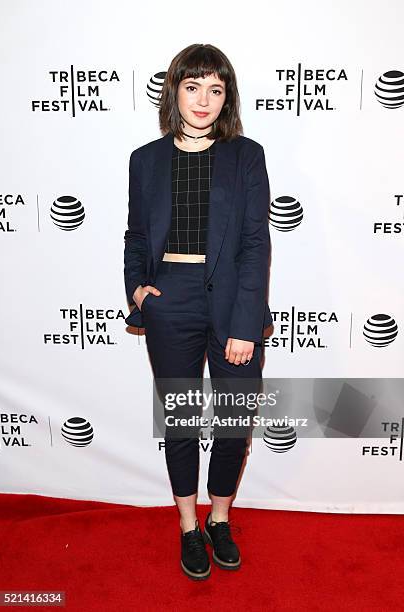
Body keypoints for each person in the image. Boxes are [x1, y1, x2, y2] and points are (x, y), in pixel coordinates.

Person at [123, 43, 273, 580]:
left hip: (234, 299)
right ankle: (188, 524)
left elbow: (256, 244)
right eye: (193, 87)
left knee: (234, 420)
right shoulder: (146, 159)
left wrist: (244, 323)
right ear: (175, 92)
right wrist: (138, 289)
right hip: (171, 301)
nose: (203, 99)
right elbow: (137, 235)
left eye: (216, 89)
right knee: (182, 420)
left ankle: (219, 517)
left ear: (227, 96)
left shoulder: (246, 155)